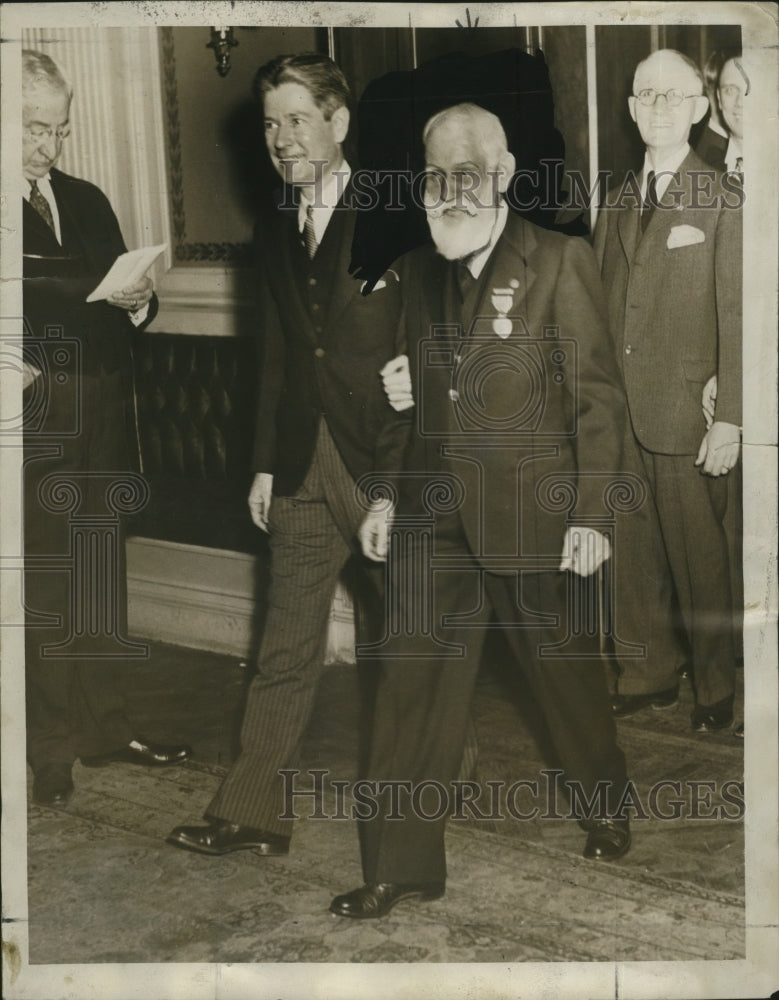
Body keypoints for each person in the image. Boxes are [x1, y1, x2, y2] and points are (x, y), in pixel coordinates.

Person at [331, 103, 632, 921]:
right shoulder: (418, 274)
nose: (446, 193)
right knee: (407, 689)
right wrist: (386, 494)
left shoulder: (562, 260)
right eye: (433, 177)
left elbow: (599, 402)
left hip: (537, 518)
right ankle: (400, 864)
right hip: (433, 519)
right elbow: (409, 405)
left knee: (563, 680)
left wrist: (593, 517)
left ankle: (605, 800)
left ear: (500, 175)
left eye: (464, 175)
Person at [166, 53, 409, 857]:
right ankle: (252, 810)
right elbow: (274, 354)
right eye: (270, 124)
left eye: (296, 119)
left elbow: (441, 336)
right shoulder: (274, 225)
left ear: (339, 124)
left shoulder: (397, 211)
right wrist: (266, 464)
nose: (280, 139)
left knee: (407, 642)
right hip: (302, 463)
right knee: (285, 646)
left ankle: (436, 787)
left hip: (384, 463)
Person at [22, 50, 191, 808]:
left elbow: (135, 303)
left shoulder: (86, 199)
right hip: (33, 415)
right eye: (31, 129)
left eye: (57, 131)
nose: (46, 148)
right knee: (48, 582)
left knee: (100, 572)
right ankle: (47, 750)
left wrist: (139, 303)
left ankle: (106, 728)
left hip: (104, 405)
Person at [593, 49, 742, 734]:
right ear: (628, 110)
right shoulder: (617, 200)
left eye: (669, 95)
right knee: (630, 551)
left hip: (687, 412)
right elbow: (598, 309)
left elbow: (738, 318)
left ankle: (715, 685)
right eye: (642, 95)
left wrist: (730, 418)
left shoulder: (720, 198)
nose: (654, 107)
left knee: (699, 557)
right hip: (619, 409)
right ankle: (646, 673)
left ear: (698, 109)